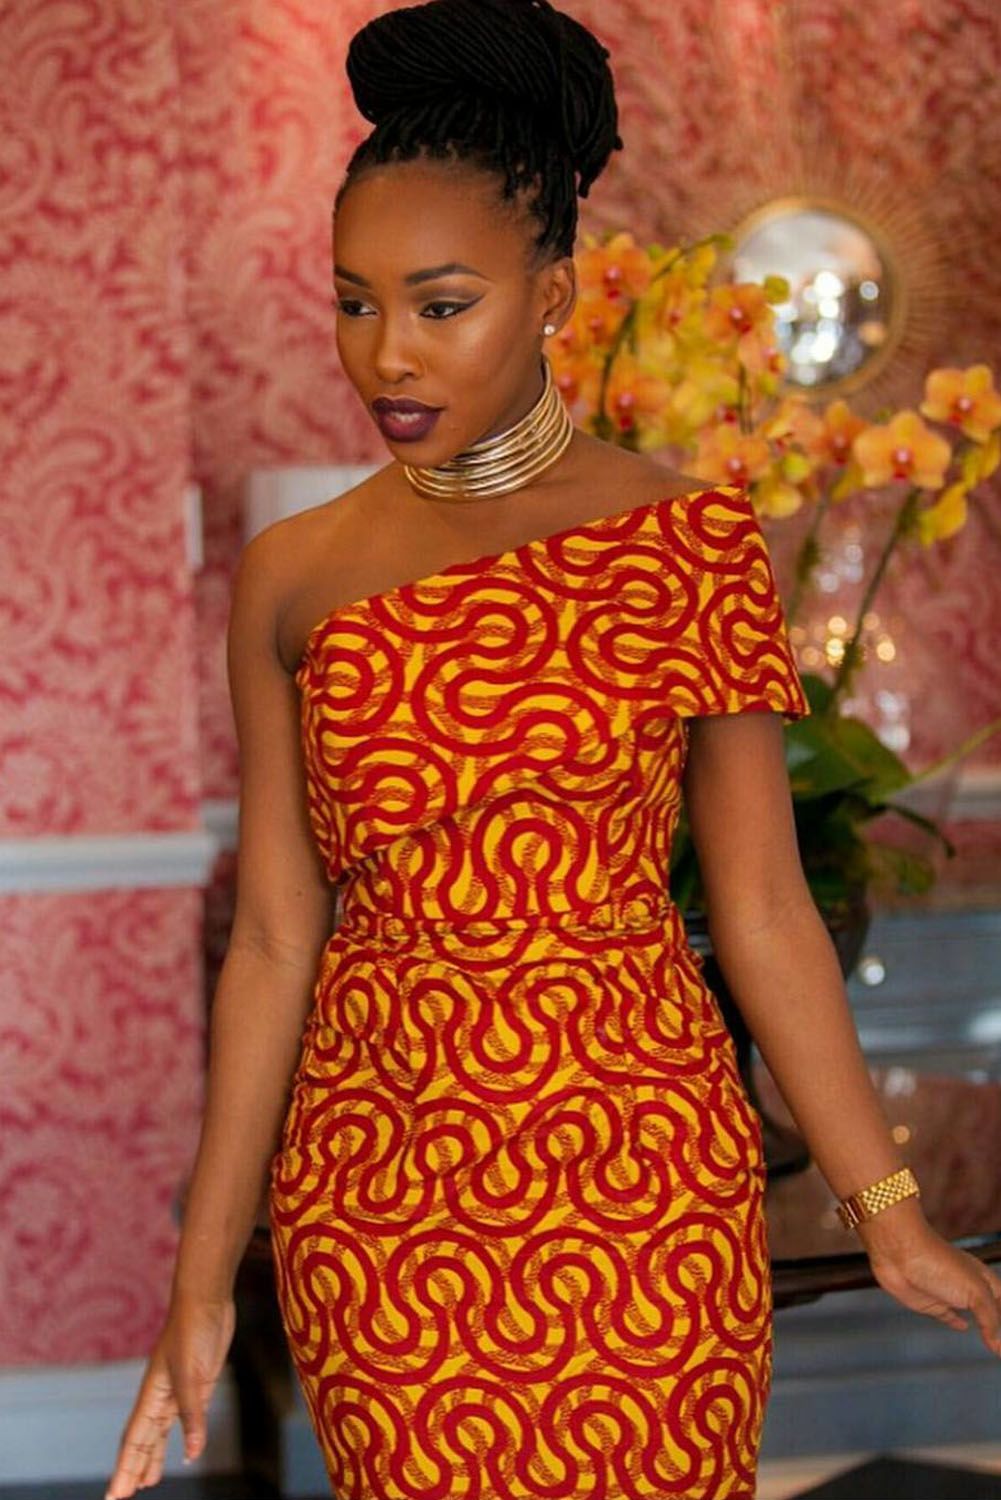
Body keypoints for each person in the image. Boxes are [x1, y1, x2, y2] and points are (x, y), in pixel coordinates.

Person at [106, 1, 1001, 1497]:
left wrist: (886, 1208)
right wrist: (201, 1281)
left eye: (440, 303)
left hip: (647, 1178)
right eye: (353, 302)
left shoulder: (689, 541)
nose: (386, 353)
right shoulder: (291, 576)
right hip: (379, 1199)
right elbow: (270, 940)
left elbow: (764, 908)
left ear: (553, 297)